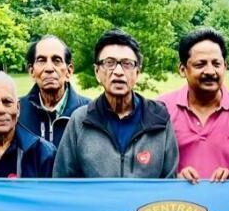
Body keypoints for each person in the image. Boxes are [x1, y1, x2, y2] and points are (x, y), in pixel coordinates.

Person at [54, 29, 178, 178]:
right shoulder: (80, 120)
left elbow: (170, 183)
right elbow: (63, 181)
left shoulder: (159, 118)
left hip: (148, 203)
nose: (118, 71)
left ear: (137, 72)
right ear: (97, 72)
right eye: (109, 63)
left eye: (127, 64)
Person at [158, 28, 229, 183]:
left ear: (225, 66)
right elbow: (147, 170)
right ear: (183, 69)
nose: (210, 71)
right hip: (176, 205)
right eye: (200, 64)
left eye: (216, 64)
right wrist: (174, 179)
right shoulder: (160, 110)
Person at [19, 35, 90, 147]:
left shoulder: (90, 113)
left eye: (56, 60)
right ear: (32, 71)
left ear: (69, 71)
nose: (49, 68)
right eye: (41, 60)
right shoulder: (16, 112)